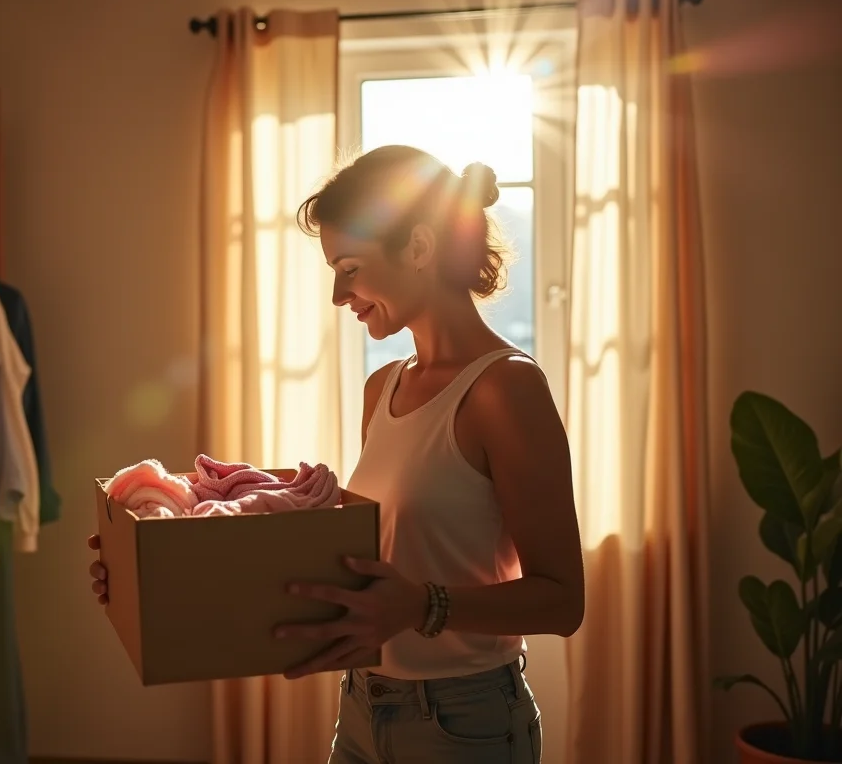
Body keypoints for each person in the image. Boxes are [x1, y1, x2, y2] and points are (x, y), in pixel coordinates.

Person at [87, 145, 584, 763]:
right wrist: (151, 573)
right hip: (363, 707)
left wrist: (422, 605)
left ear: (420, 247)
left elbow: (562, 601)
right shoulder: (384, 388)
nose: (337, 293)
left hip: (464, 721)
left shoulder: (505, 388)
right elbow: (379, 568)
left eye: (350, 267)